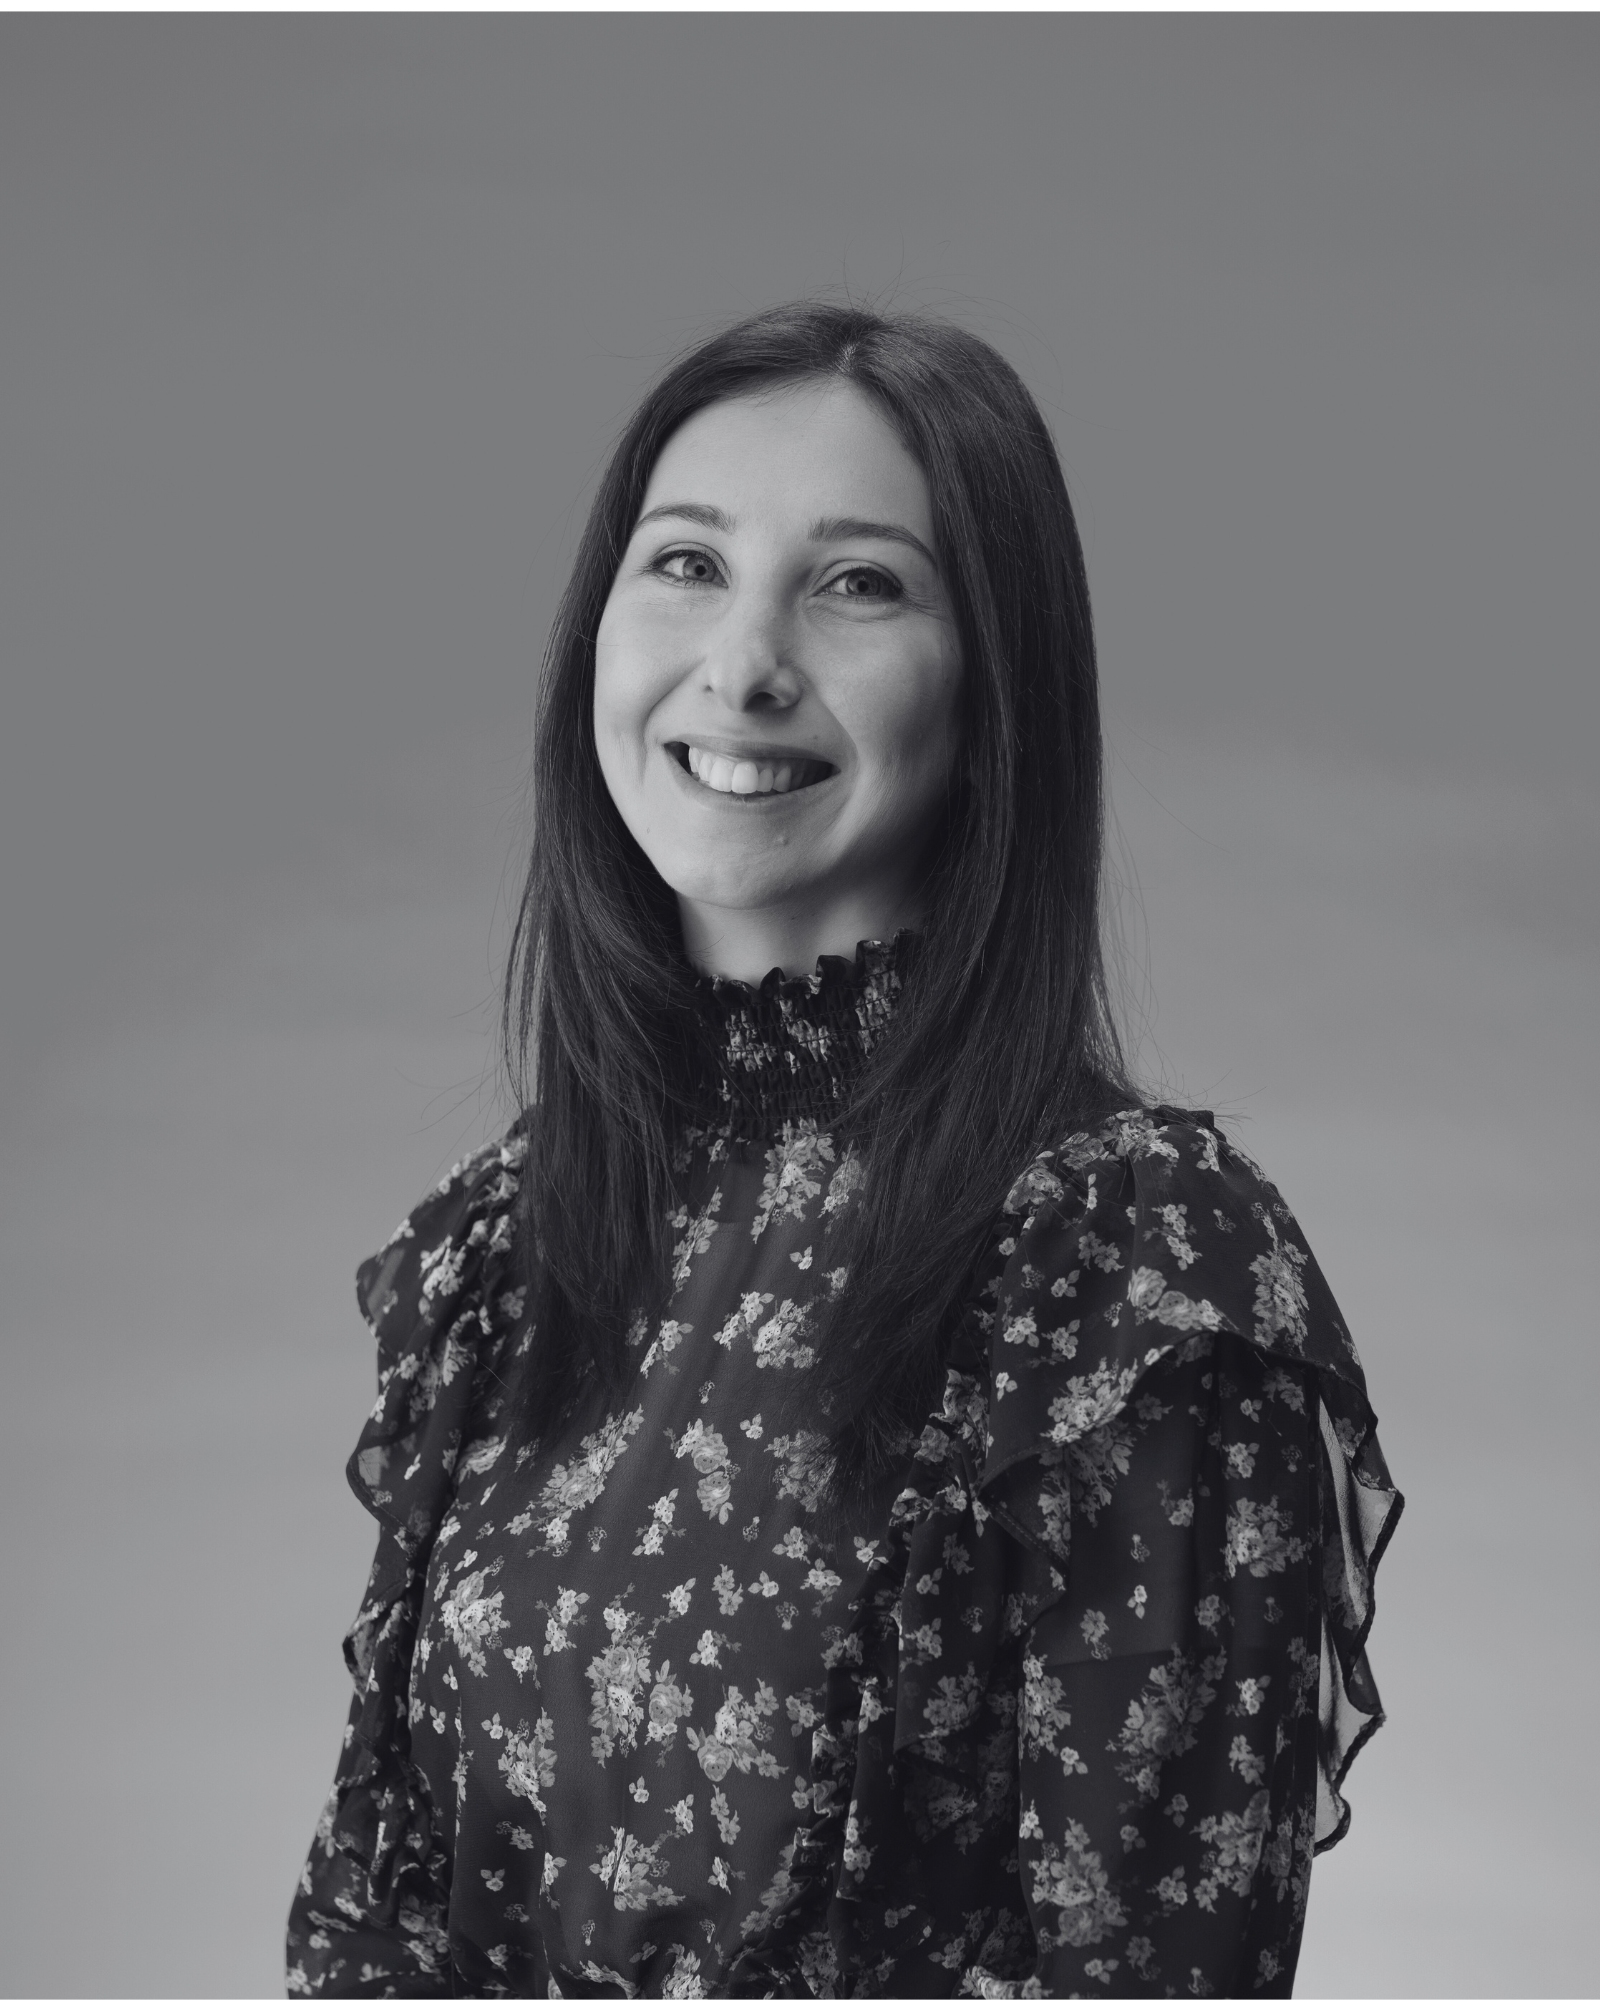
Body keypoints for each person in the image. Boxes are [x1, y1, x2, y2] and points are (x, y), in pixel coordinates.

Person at [286, 302, 1401, 1999]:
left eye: (860, 583)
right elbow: (374, 1924)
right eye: (685, 564)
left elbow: (1148, 1968)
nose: (743, 664)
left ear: (997, 681)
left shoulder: (1133, 1267)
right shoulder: (509, 1246)